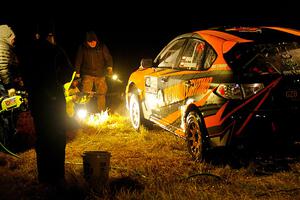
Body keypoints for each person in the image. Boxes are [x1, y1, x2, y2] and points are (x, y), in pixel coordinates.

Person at [21, 27, 74, 185]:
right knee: (57, 136)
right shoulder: (56, 50)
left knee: (43, 137)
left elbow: (25, 76)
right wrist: (57, 83)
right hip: (55, 100)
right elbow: (68, 72)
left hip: (39, 102)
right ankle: (58, 175)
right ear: (49, 36)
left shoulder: (29, 53)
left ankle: (44, 177)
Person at [75, 31, 113, 112]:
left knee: (101, 94)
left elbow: (109, 58)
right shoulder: (82, 48)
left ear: (96, 40)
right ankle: (85, 112)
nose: (92, 43)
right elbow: (78, 60)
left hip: (100, 74)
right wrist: (77, 74)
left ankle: (101, 111)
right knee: (85, 94)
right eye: (90, 42)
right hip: (87, 74)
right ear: (87, 42)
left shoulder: (102, 47)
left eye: (94, 41)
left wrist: (109, 68)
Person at [0, 24, 21, 96]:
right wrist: (9, 87)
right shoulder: (2, 47)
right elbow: (2, 68)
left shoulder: (6, 46)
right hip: (3, 84)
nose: (14, 41)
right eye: (13, 39)